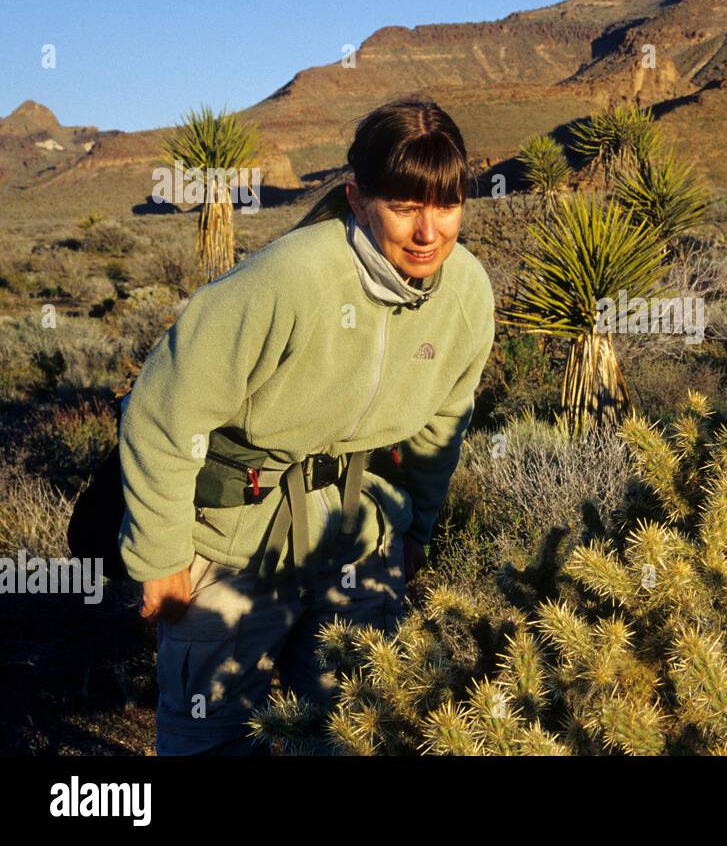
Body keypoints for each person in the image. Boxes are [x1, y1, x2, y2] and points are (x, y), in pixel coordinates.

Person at [117, 96, 496, 755]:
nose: (428, 230)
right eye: (404, 206)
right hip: (231, 538)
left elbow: (442, 425)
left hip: (356, 536)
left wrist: (419, 529)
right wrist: (160, 556)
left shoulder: (467, 294)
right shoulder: (293, 276)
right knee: (210, 733)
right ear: (357, 197)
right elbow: (165, 407)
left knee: (350, 727)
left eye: (445, 204)